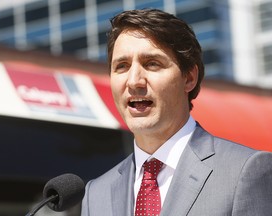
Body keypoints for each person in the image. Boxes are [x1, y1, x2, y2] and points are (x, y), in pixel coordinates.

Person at [81, 9, 272, 216]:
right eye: (122, 66)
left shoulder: (244, 171)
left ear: (189, 78)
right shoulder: (95, 194)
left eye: (152, 64)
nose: (134, 80)